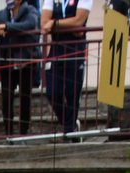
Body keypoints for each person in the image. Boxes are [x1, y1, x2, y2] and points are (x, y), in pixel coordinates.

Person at [0, 0, 38, 137]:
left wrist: (6, 27)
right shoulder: (2, 14)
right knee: (6, 98)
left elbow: (29, 24)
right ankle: (9, 133)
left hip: (25, 61)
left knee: (25, 97)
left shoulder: (30, 10)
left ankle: (23, 133)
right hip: (7, 62)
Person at [40, 0, 89, 134]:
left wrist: (55, 23)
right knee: (52, 92)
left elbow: (79, 21)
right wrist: (70, 26)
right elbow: (44, 24)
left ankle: (69, 131)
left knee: (72, 93)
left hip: (75, 49)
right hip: (56, 50)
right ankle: (70, 124)